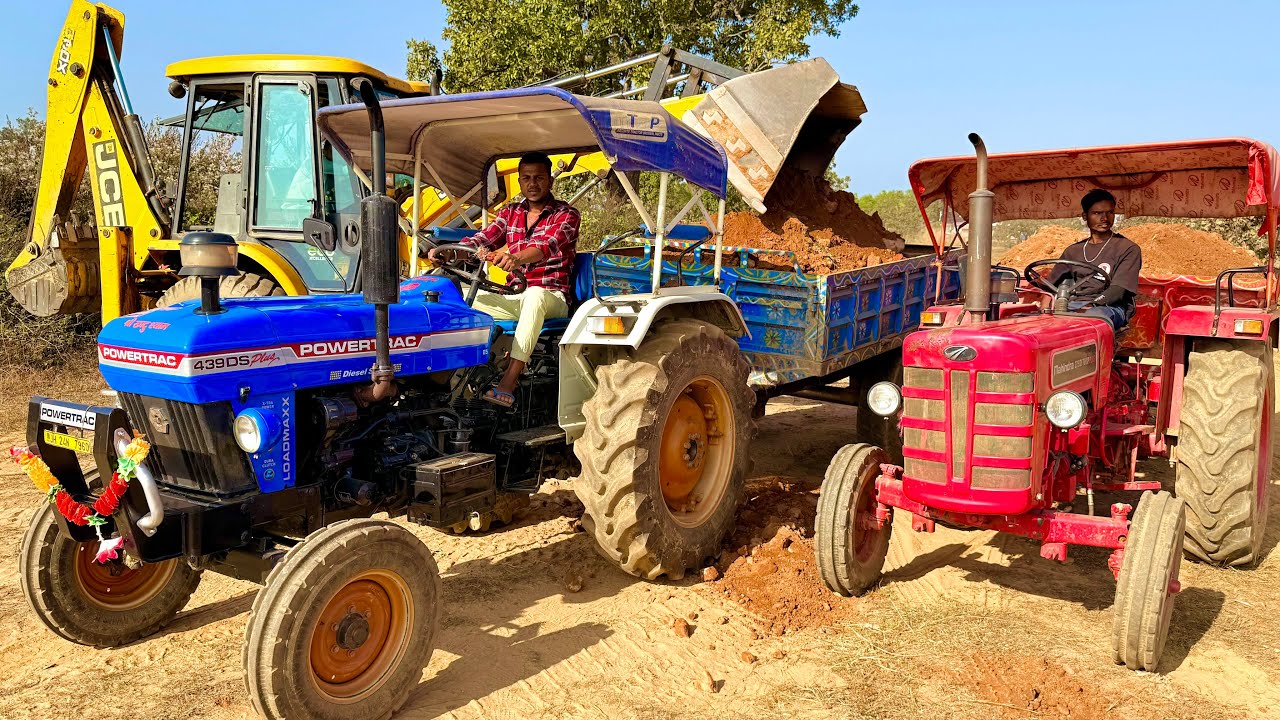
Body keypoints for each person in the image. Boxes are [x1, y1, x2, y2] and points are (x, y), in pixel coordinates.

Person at [430, 151, 579, 408]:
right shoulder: (510, 213)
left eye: (539, 178)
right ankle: (439, 377)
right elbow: (482, 238)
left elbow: (546, 246)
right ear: (520, 181)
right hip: (513, 296)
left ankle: (508, 382)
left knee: (534, 296)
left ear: (550, 181)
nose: (533, 184)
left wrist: (516, 258)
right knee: (451, 294)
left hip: (551, 296)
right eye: (526, 178)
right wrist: (450, 251)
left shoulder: (566, 215)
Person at [1048, 189, 1142, 331]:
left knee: (1091, 319)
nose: (1105, 218)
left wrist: (1088, 307)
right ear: (1085, 216)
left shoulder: (1128, 248)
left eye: (1109, 212)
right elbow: (1049, 285)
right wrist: (1043, 305)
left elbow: (1118, 290)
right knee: (1023, 318)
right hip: (1073, 305)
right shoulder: (1073, 250)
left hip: (1109, 308)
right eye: (1097, 213)